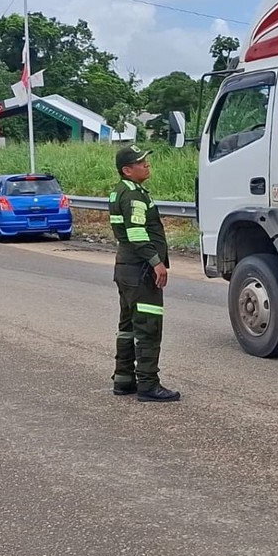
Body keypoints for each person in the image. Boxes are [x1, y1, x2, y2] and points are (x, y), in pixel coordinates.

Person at [108, 145, 180, 402]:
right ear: (127, 170)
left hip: (126, 268)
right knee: (148, 327)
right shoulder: (134, 196)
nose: (146, 165)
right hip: (140, 270)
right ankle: (148, 385)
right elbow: (136, 232)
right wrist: (156, 262)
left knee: (128, 325)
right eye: (141, 162)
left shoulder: (120, 191)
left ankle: (123, 379)